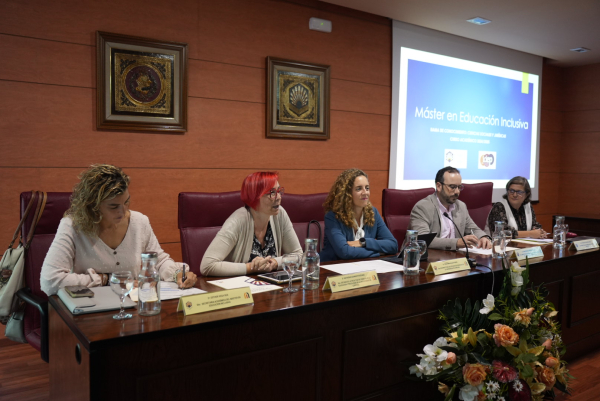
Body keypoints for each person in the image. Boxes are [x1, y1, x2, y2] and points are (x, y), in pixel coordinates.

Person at [40, 164, 197, 296]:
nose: (123, 212)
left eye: (126, 202)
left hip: (134, 306)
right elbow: (50, 281)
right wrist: (106, 279)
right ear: (92, 205)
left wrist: (177, 274)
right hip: (91, 310)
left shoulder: (139, 222)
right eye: (113, 206)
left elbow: (158, 261)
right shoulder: (73, 226)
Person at [200, 172, 302, 276]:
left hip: (270, 287)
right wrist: (251, 267)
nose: (279, 197)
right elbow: (207, 265)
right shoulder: (237, 221)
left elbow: (298, 255)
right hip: (240, 289)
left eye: (279, 191)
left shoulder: (280, 214)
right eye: (272, 192)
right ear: (255, 197)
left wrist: (275, 263)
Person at [320, 169, 398, 262]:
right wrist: (379, 252)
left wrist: (363, 243)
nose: (365, 192)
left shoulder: (373, 213)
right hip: (332, 269)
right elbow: (345, 252)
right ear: (347, 193)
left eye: (367, 188)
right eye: (359, 189)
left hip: (364, 268)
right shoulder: (333, 217)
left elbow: (393, 245)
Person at [409, 166, 492, 251]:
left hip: (453, 258)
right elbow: (423, 240)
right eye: (452, 187)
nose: (457, 192)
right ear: (439, 186)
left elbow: (473, 229)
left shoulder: (461, 206)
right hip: (429, 257)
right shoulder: (422, 207)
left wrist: (483, 237)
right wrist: (456, 243)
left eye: (459, 187)